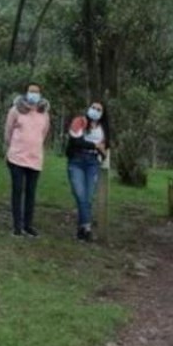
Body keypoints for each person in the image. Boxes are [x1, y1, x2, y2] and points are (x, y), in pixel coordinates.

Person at [4, 82, 51, 237]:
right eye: (31, 91)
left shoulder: (44, 113)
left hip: (35, 159)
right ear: (26, 93)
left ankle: (28, 225)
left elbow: (44, 133)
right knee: (17, 191)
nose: (33, 94)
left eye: (36, 92)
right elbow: (8, 131)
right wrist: (12, 147)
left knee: (31, 193)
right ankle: (17, 226)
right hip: (17, 157)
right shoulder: (16, 110)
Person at [66, 101, 108, 242]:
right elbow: (76, 140)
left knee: (88, 197)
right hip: (77, 160)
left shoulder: (103, 128)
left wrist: (100, 151)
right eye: (93, 107)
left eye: (99, 109)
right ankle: (87, 227)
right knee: (80, 194)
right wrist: (95, 145)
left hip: (92, 163)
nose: (95, 111)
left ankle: (82, 229)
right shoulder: (80, 121)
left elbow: (105, 147)